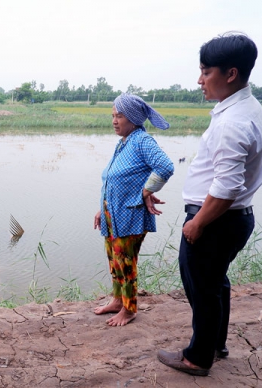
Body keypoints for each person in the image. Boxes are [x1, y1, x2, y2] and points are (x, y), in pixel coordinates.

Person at [158, 32, 262, 376]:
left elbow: (226, 187)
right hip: (231, 219)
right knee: (215, 283)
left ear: (231, 74)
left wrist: (198, 223)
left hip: (216, 220)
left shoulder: (234, 121)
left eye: (206, 72)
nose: (200, 80)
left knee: (202, 289)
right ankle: (215, 344)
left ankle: (197, 357)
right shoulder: (246, 108)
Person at [93, 93, 174, 326]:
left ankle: (129, 309)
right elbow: (113, 180)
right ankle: (118, 300)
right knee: (114, 259)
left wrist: (146, 192)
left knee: (126, 262)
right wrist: (102, 208)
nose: (114, 121)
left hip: (130, 214)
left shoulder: (141, 141)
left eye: (120, 116)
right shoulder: (123, 143)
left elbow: (165, 167)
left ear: (134, 118)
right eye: (113, 116)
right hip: (112, 213)